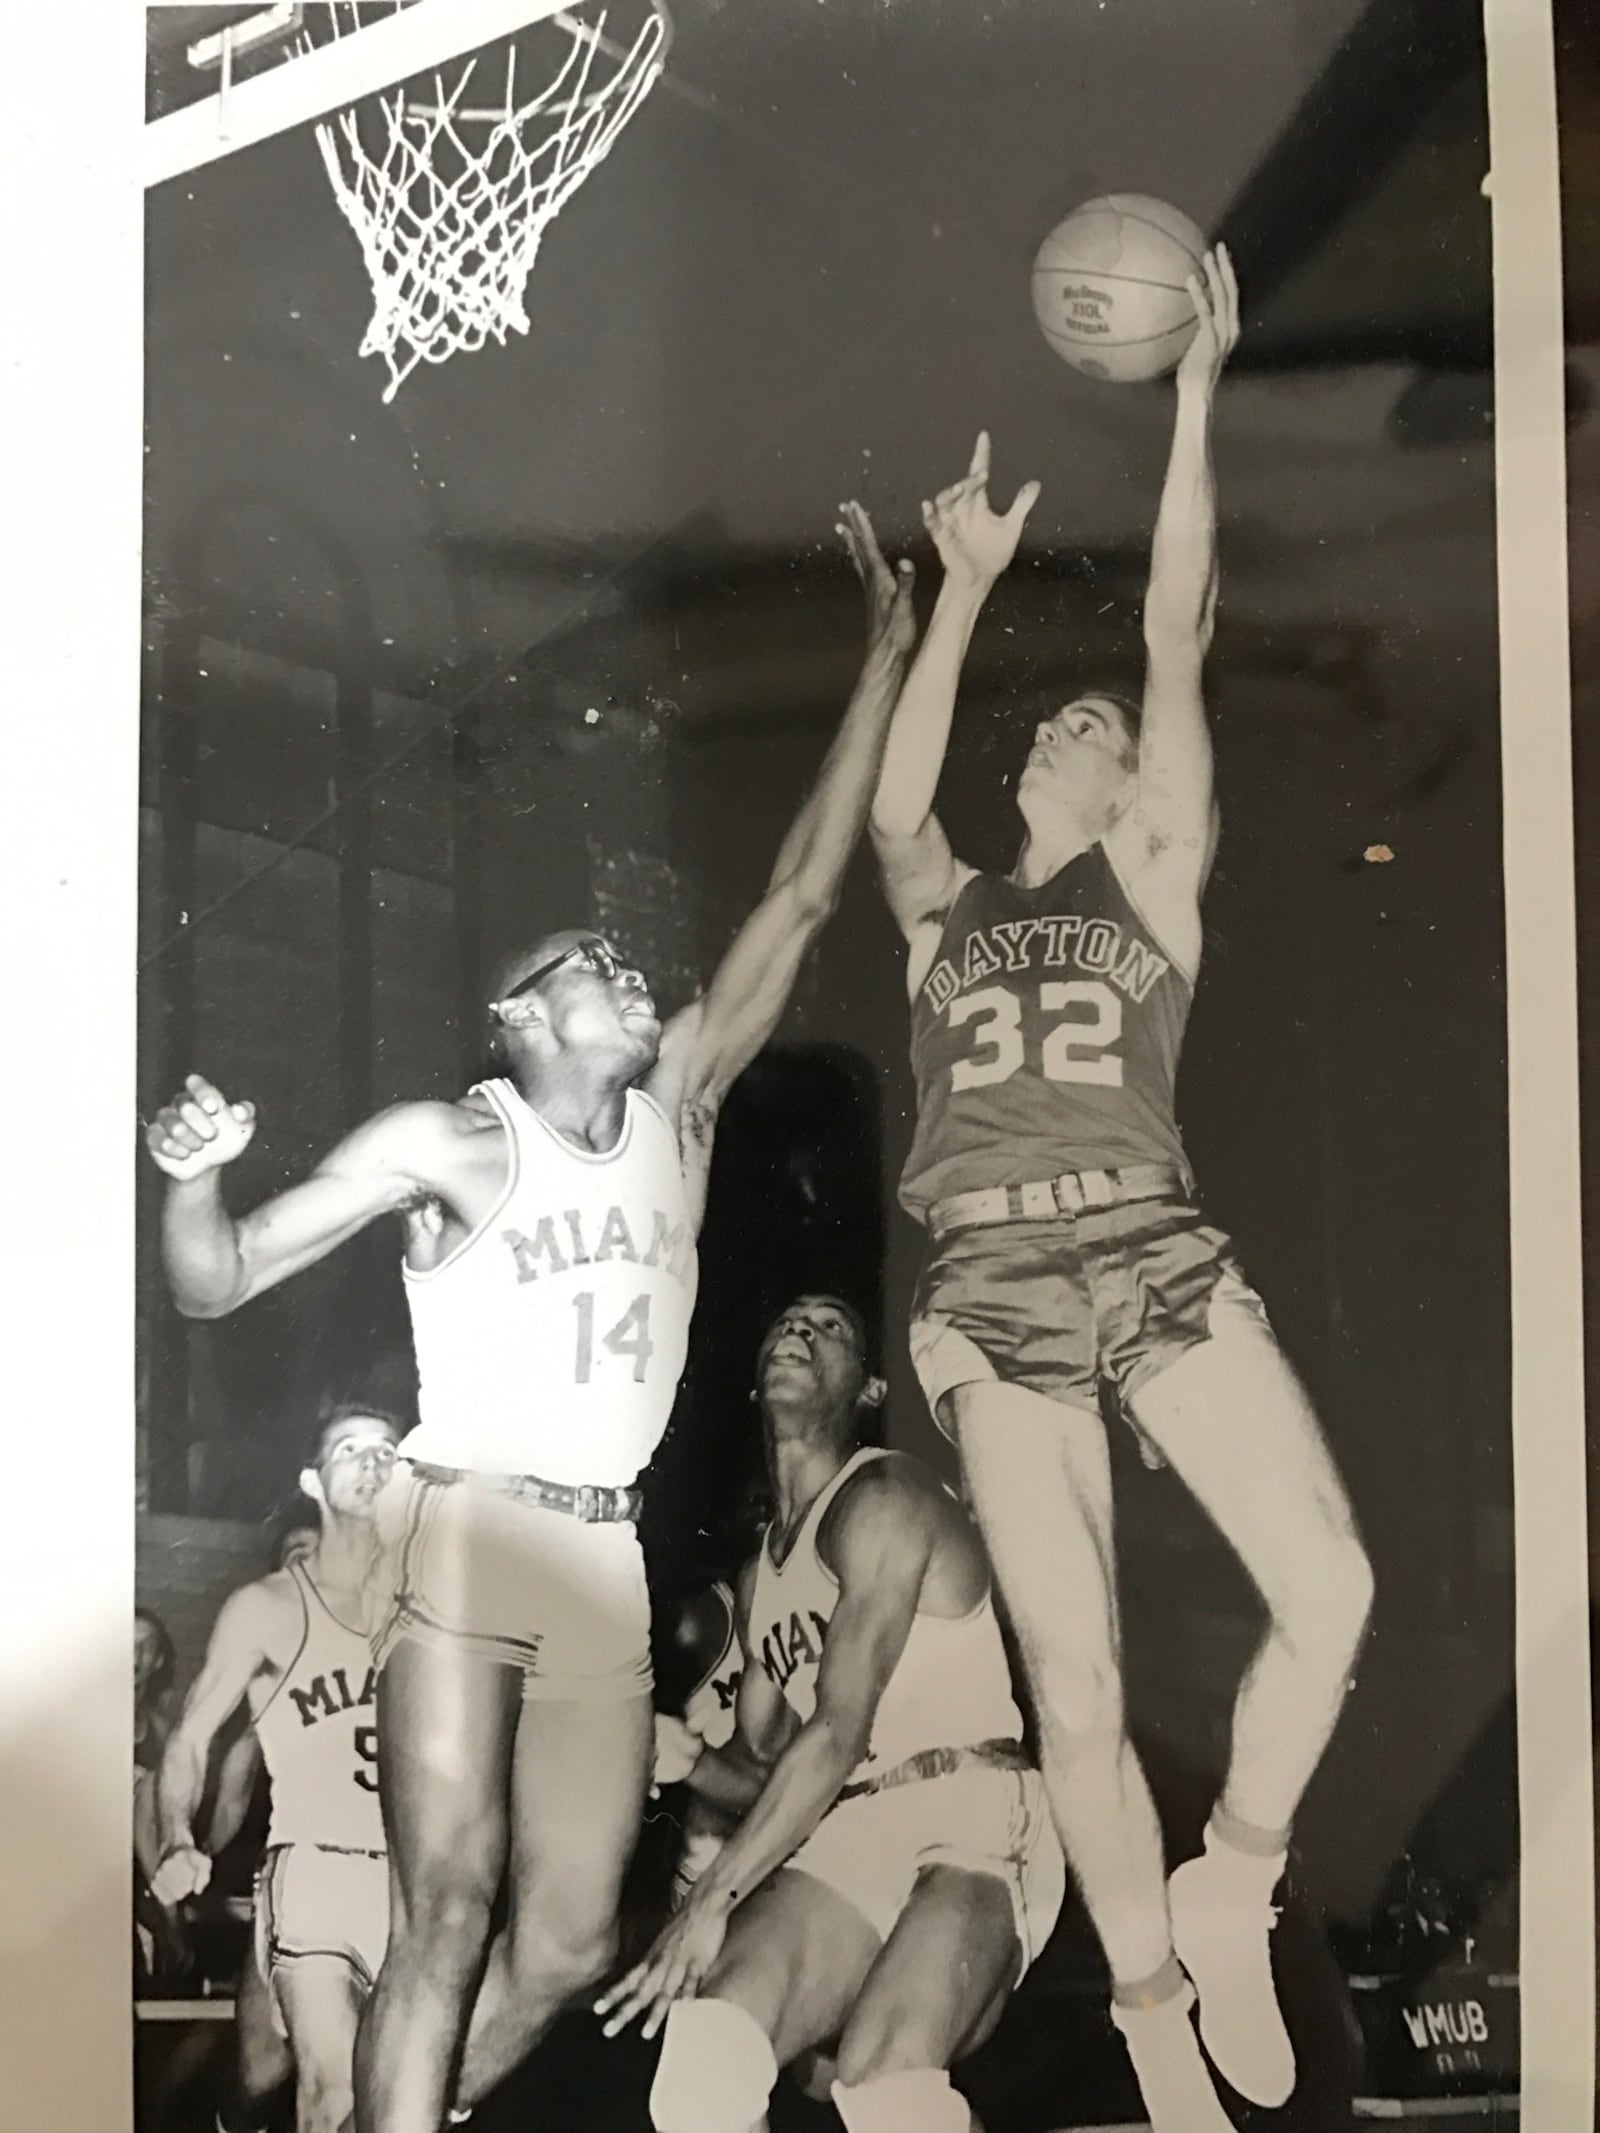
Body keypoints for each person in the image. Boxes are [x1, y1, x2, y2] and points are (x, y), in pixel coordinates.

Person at [144, 504, 918, 2133]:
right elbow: (214, 1279)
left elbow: (796, 896)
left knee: (566, 1943)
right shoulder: (444, 1141)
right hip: (470, 1528)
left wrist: (885, 669)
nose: (634, 976)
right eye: (596, 966)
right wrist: (195, 1182)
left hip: (605, 1558)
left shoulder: (682, 1113)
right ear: (520, 1016)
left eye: (635, 966)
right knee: (452, 1904)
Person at [867, 248, 1373, 2130]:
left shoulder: (1152, 890)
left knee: (1330, 1584)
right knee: (1074, 1690)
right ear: (1035, 758)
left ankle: (1232, 1871)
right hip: (995, 1292)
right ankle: (1151, 2005)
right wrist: (961, 591)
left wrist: (1190, 403)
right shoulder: (959, 914)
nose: (1118, 730)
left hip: (1151, 1247)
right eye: (1080, 723)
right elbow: (896, 818)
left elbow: (1177, 627)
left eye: (1124, 728)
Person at [598, 1294, 1064, 2133]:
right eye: (785, 1323)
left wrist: (713, 1900)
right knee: (703, 2060)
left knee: (884, 2087)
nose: (800, 1331)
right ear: (753, 1386)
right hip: (853, 1831)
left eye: (832, 1327)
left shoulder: (887, 1496)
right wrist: (687, 1761)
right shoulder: (758, 1581)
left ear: (871, 1389)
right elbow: (767, 1774)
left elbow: (840, 1729)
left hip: (971, 1811)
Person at [150, 1406, 402, 2133]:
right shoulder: (266, 1607)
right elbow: (190, 1739)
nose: (370, 1462)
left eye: (386, 1449)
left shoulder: (431, 1609)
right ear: (311, 1480)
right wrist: (174, 1834)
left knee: (403, 2095)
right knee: (332, 2087)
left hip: (413, 1880)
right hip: (315, 1869)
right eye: (348, 1449)